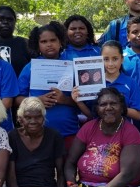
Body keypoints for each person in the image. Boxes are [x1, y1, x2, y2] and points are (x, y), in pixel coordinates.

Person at [17, 21, 88, 149]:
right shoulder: (30, 68)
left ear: (60, 42)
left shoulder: (72, 67)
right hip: (38, 133)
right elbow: (17, 99)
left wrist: (64, 99)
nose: (49, 45)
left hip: (68, 131)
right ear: (37, 45)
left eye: (53, 40)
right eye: (43, 42)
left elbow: (82, 100)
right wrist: (36, 101)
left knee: (67, 167)